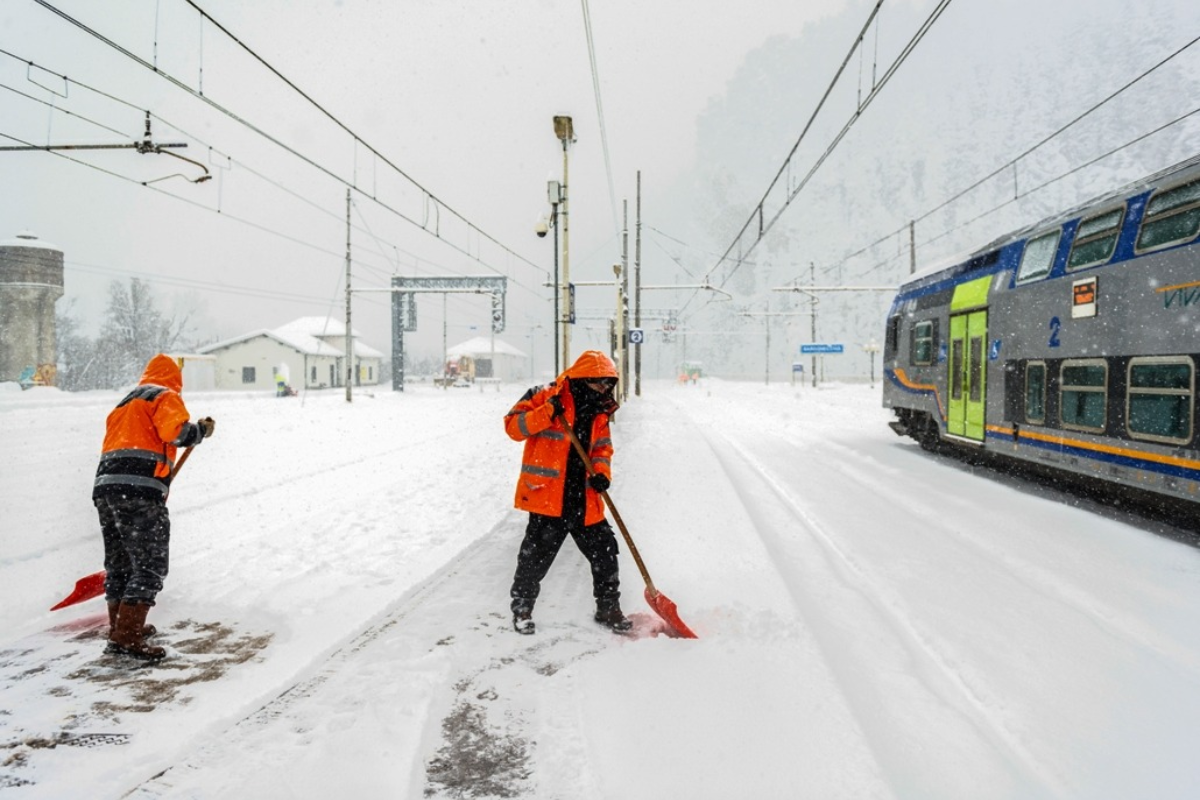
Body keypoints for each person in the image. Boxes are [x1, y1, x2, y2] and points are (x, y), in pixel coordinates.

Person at [92, 354, 215, 661]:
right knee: (149, 563)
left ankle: (119, 626)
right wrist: (199, 430)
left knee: (120, 562)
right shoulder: (165, 395)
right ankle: (127, 638)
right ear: (175, 379)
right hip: (139, 491)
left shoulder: (125, 402)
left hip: (106, 488)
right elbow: (175, 432)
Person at [504, 350, 632, 635]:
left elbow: (602, 448)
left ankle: (608, 609)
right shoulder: (544, 395)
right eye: (600, 383)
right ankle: (522, 609)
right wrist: (547, 413)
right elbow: (513, 427)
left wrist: (601, 474)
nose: (605, 389)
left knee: (605, 550)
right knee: (534, 558)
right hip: (548, 497)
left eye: (608, 384)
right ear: (583, 378)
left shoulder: (600, 407)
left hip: (584, 498)